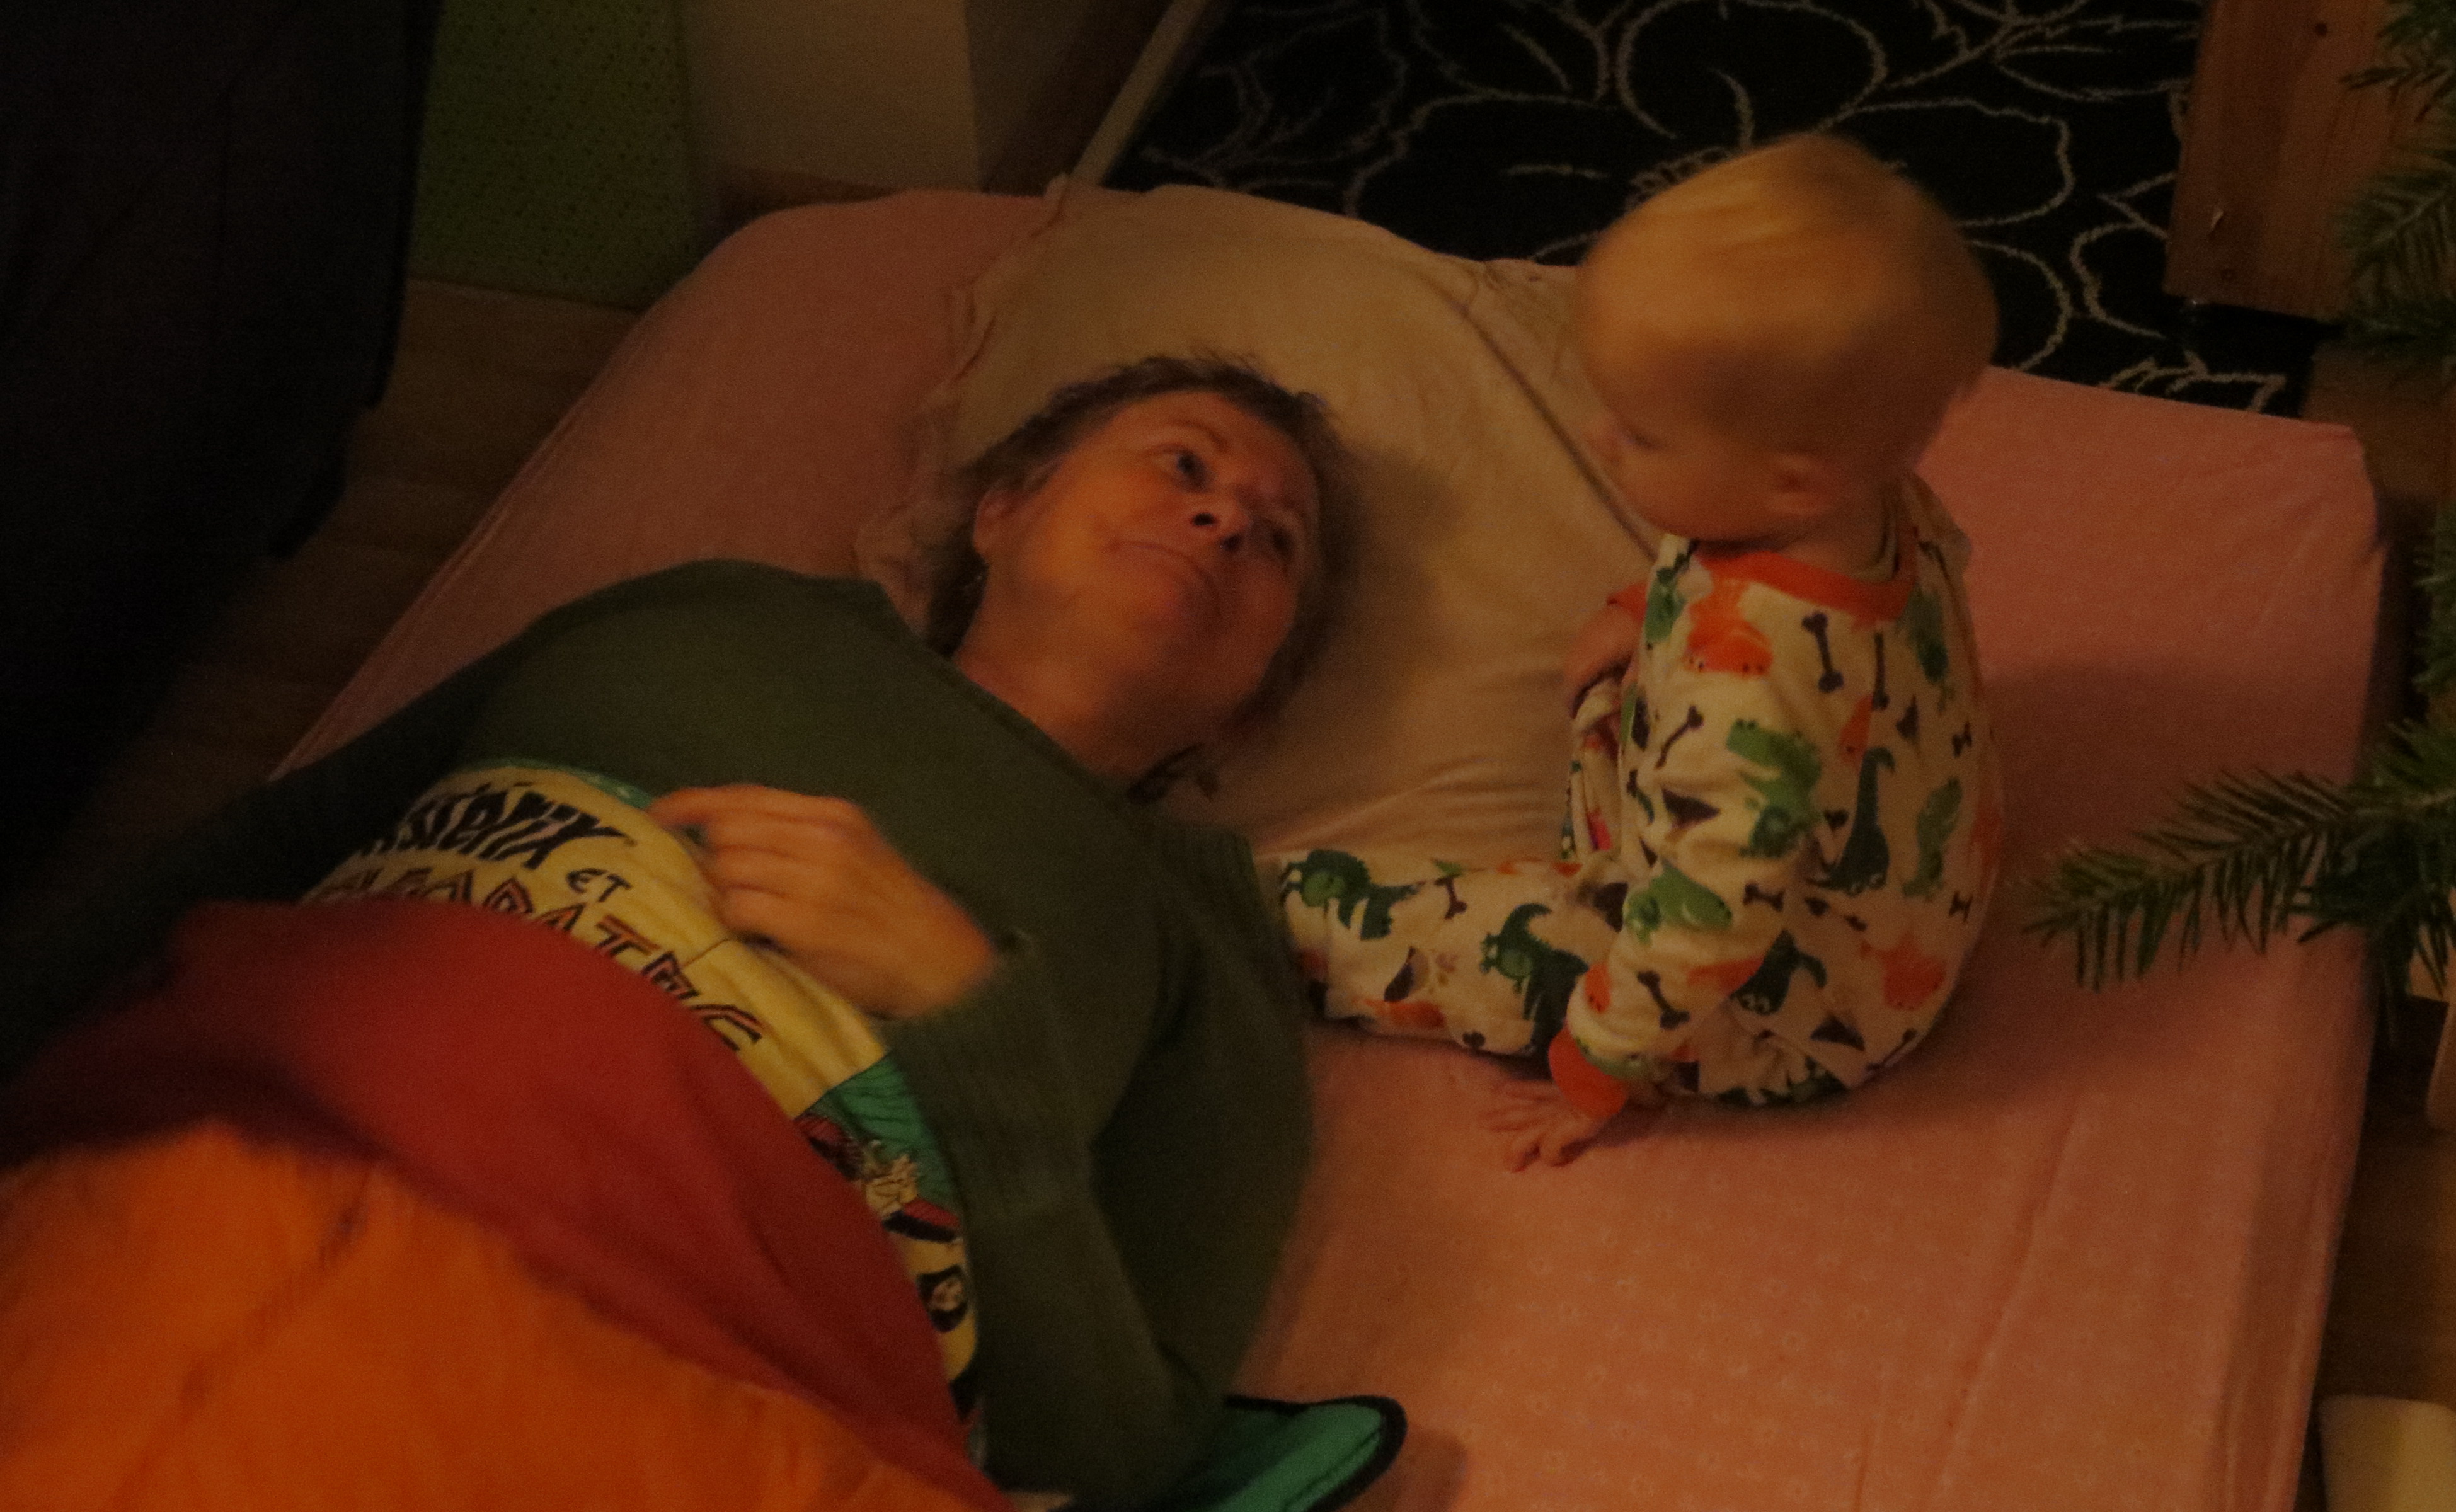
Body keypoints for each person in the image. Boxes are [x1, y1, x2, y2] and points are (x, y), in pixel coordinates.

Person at [0, 355, 1360, 1512]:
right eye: (1184, 463)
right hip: (225, 1134)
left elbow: (1119, 1454)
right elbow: (276, 838)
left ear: (1247, 710)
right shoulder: (712, 610)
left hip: (671, 1342)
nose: (1221, 518)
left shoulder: (1202, 944)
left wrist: (966, 1020)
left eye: (1277, 540)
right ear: (1002, 509)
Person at [1277, 134, 2002, 1169]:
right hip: (1908, 903)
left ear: (1795, 481)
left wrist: (1598, 1067)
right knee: (1619, 709)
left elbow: (1709, 922)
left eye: (1642, 435)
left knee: (1481, 940)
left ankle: (1262, 914)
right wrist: (1643, 607)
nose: (1599, 439)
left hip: (1796, 1018)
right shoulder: (1873, 498)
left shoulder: (1743, 690)